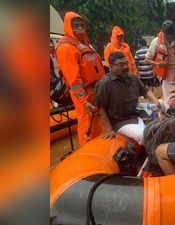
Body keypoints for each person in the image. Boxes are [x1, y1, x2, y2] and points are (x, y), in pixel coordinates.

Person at [55, 12, 105, 146]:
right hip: (85, 94)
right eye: (75, 25)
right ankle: (88, 150)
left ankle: (99, 147)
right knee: (87, 124)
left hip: (96, 91)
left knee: (98, 123)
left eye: (81, 24)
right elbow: (73, 80)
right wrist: (83, 101)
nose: (79, 27)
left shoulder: (85, 45)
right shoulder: (66, 47)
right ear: (68, 27)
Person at [94, 51, 160, 145]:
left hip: (136, 112)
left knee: (162, 105)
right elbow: (100, 108)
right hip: (120, 121)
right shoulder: (105, 83)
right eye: (121, 64)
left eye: (126, 63)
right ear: (111, 66)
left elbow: (145, 91)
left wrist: (155, 101)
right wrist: (108, 129)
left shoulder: (132, 77)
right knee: (143, 135)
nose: (125, 67)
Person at [145, 20, 175, 110]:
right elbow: (147, 59)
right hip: (166, 76)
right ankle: (170, 114)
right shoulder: (156, 42)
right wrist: (158, 64)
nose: (171, 40)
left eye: (172, 36)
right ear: (163, 33)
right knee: (169, 101)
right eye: (168, 37)